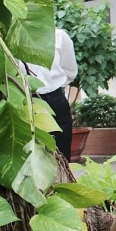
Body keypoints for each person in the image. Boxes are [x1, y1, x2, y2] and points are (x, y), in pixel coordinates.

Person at [25, 28, 78, 160]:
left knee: (61, 154)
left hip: (55, 99)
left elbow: (70, 70)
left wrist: (53, 84)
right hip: (24, 100)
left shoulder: (58, 35)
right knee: (30, 156)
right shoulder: (7, 34)